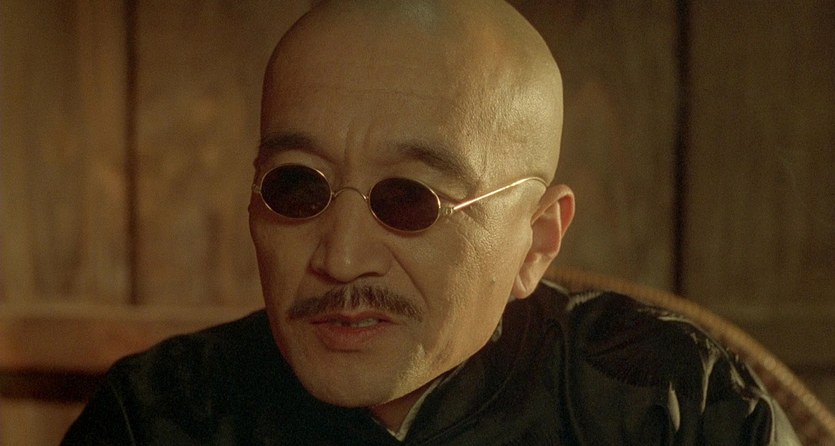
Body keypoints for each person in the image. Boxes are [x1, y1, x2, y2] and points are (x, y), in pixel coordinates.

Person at [63, 1, 799, 444]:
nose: (341, 259)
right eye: (297, 188)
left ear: (536, 240)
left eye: (408, 198)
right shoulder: (157, 419)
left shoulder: (670, 405)